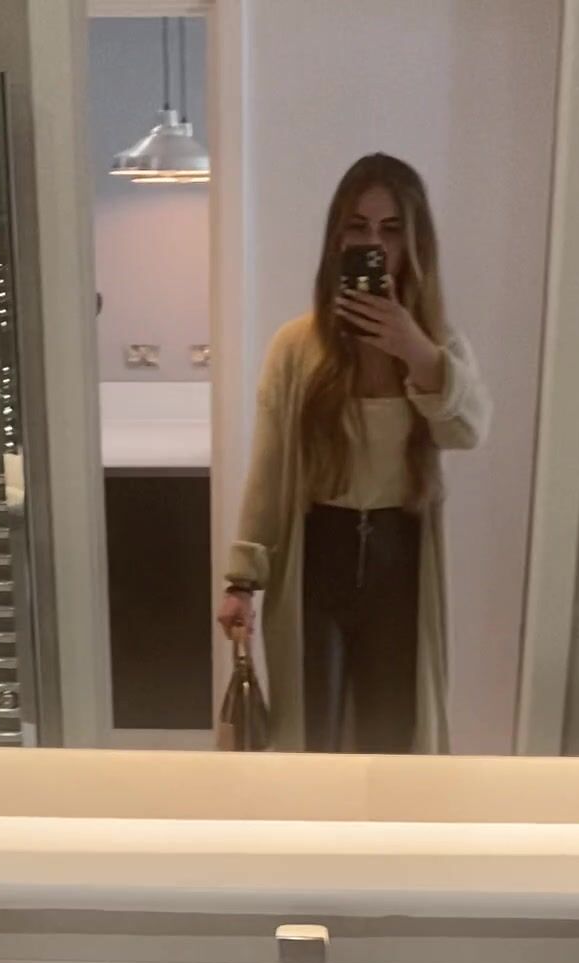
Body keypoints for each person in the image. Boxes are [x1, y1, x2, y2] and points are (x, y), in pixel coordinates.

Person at [217, 153, 491, 753]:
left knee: (392, 733)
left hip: (400, 560)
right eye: (358, 228)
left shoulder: (435, 344)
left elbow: (469, 431)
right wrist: (242, 579)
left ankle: (388, 820)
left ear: (414, 243)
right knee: (313, 732)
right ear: (336, 240)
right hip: (319, 557)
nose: (374, 244)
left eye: (391, 230)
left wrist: (414, 350)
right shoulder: (297, 347)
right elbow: (268, 470)